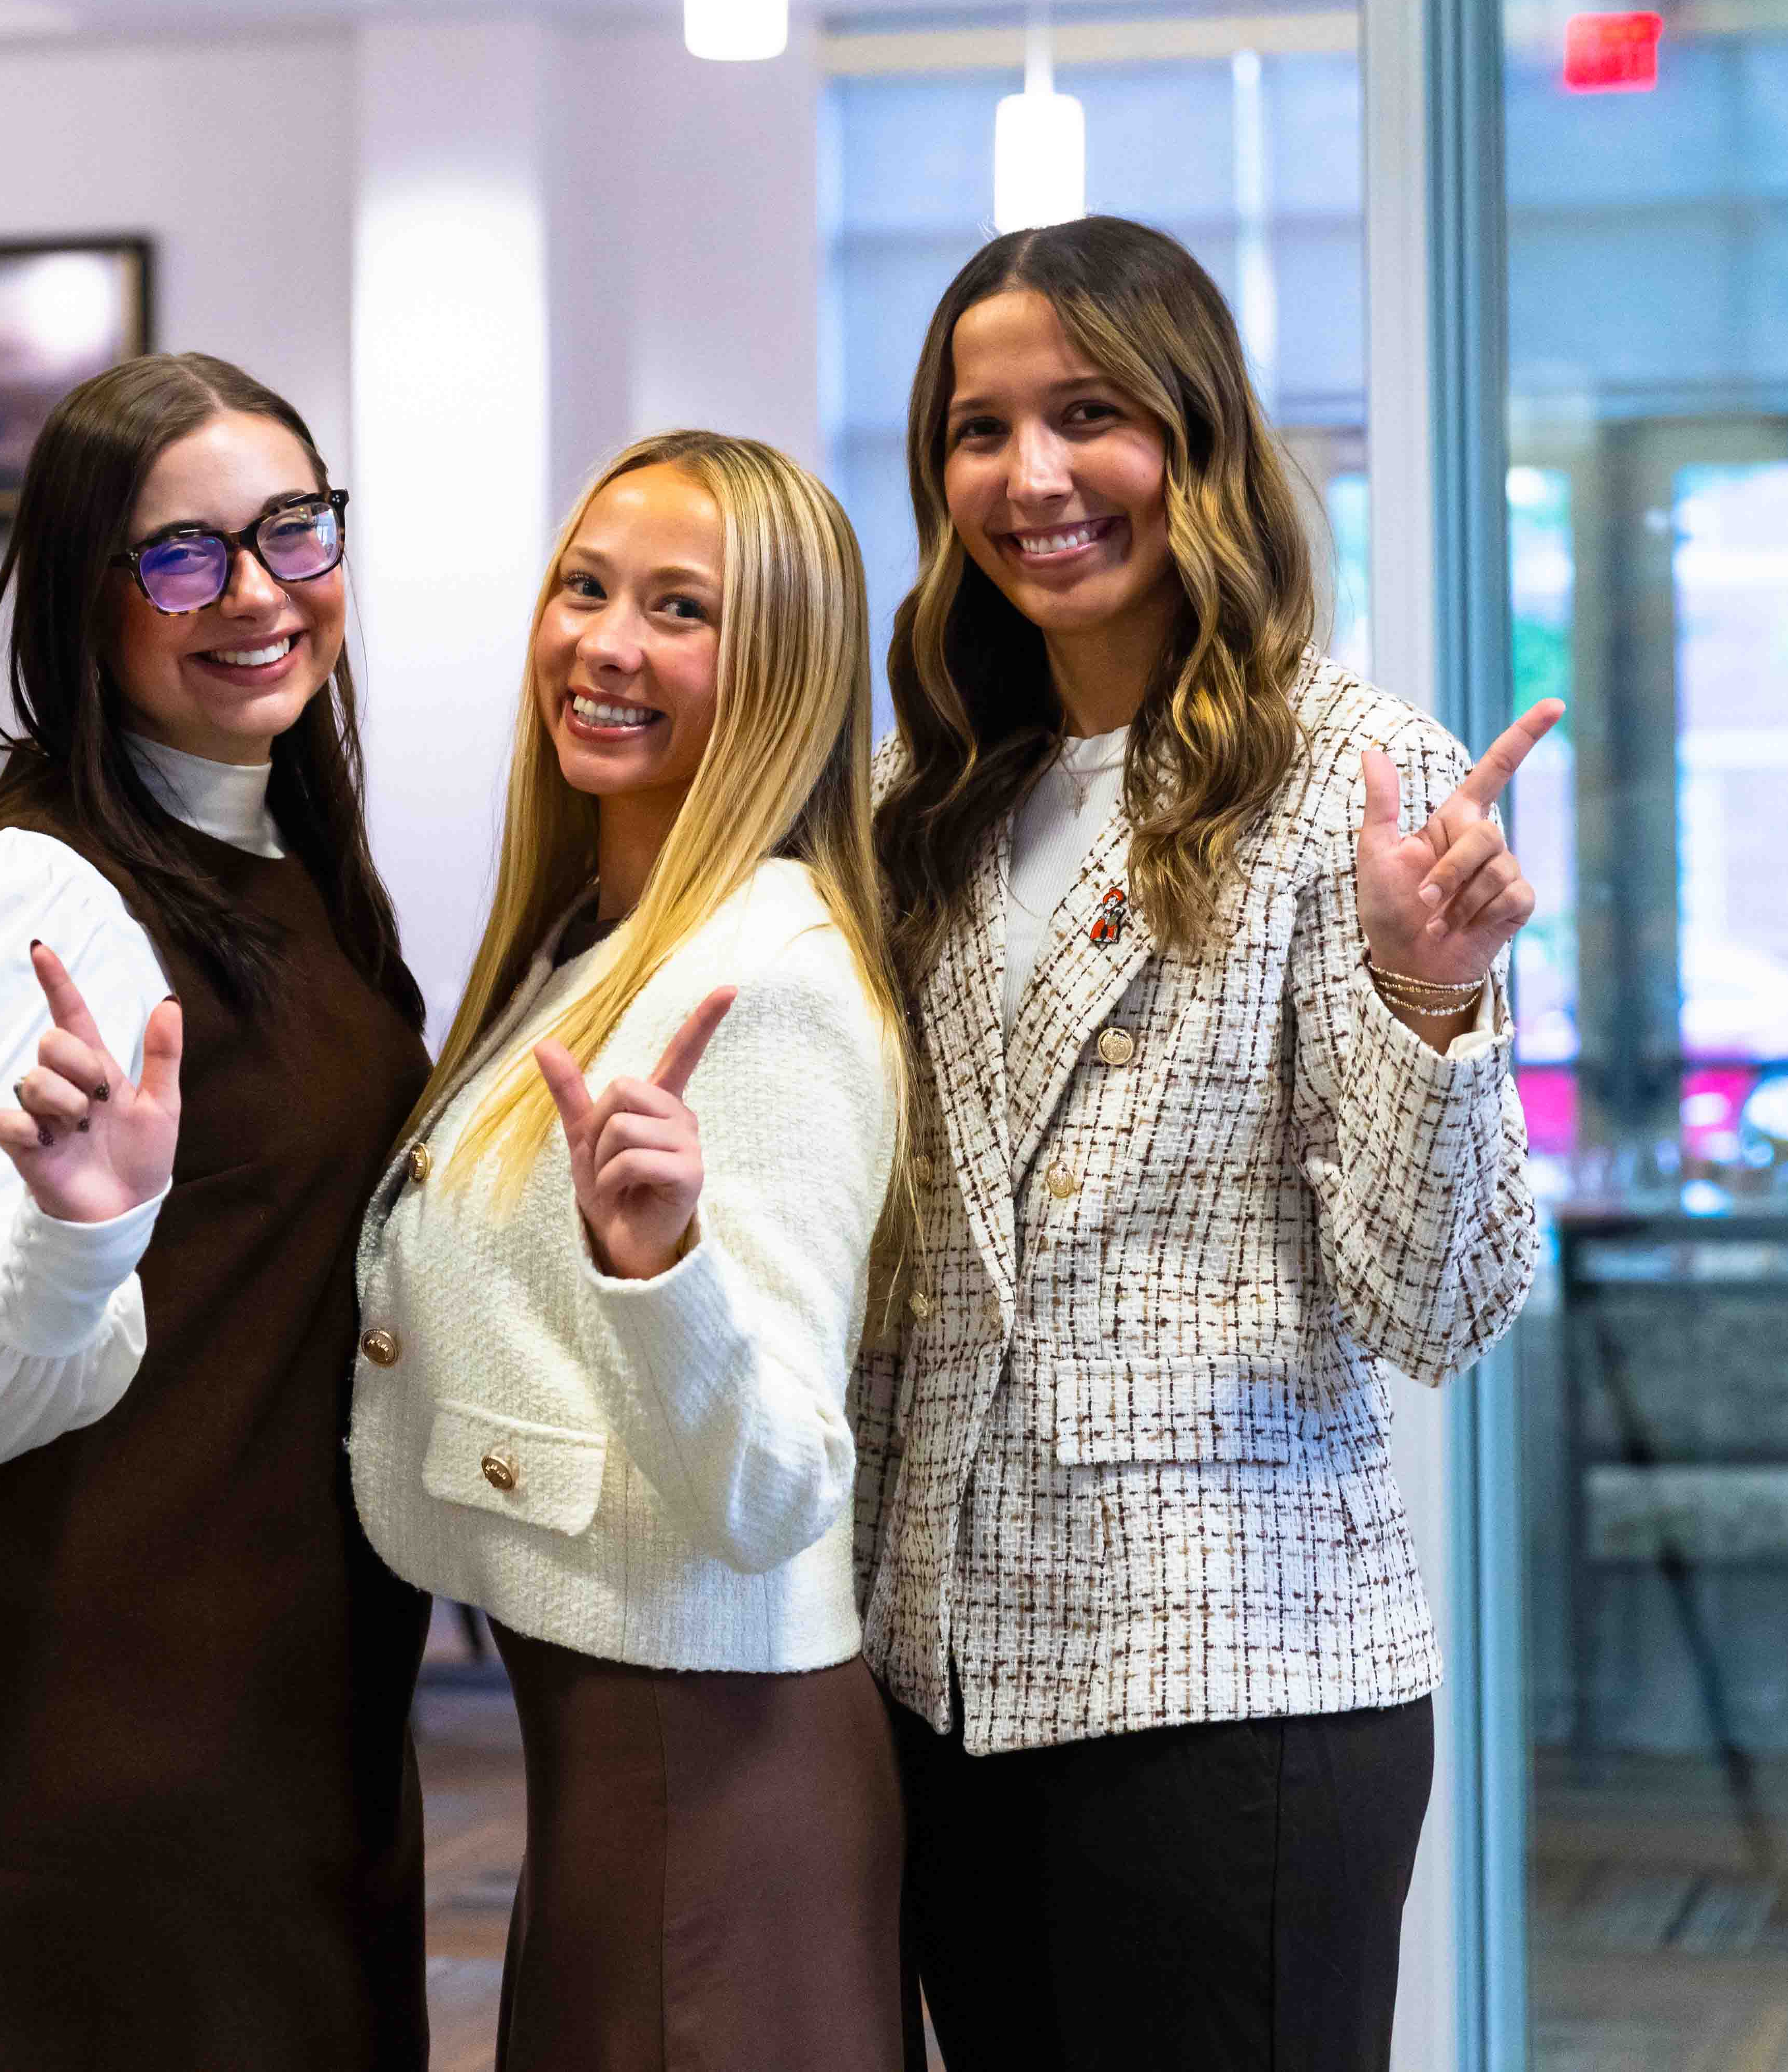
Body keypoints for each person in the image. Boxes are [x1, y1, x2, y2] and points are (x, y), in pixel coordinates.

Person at [854, 218, 1554, 2072]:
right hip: (941, 1678)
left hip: (1232, 1687)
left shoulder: (1358, 779)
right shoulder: (922, 801)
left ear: (1201, 439)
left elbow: (1442, 1307)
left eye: (1089, 414)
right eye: (976, 429)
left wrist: (1432, 1006)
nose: (1034, 477)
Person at [0, 351, 432, 2070]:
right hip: (79, 1783)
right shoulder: (38, 899)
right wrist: (81, 1235)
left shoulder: (295, 871)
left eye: (291, 533)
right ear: (86, 601)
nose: (253, 594)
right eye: (181, 556)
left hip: (272, 1741)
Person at [350, 429, 905, 2072]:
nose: (605, 644)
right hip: (614, 1756)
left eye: (681, 610)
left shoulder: (774, 979)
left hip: (712, 1766)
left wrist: (660, 1275)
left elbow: (776, 1488)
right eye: (586, 588)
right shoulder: (594, 937)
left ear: (785, 670)